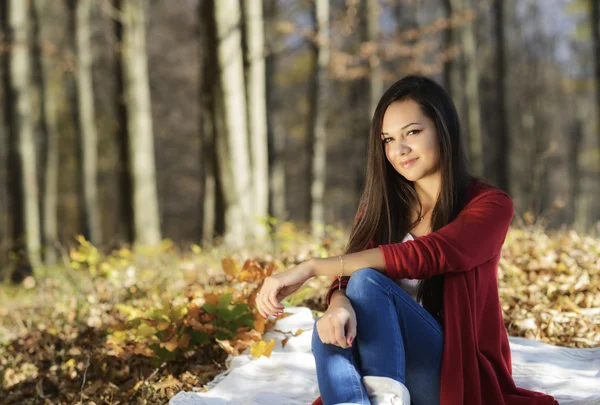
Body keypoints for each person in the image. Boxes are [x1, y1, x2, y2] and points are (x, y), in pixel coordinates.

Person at [255, 75, 558, 405]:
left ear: (443, 129)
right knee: (327, 330)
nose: (399, 150)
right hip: (389, 373)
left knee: (369, 281)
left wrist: (312, 267)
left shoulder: (489, 205)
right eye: (387, 139)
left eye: (412, 132)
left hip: (451, 379)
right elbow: (348, 279)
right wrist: (338, 306)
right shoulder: (383, 206)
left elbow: (428, 254)